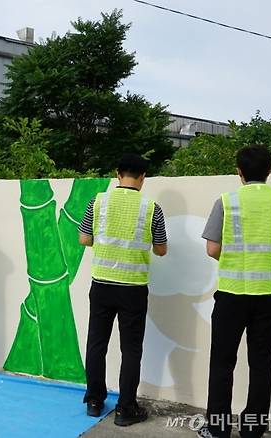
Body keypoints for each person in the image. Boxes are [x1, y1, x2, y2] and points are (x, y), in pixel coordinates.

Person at [196, 145, 271, 438]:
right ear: (270, 170)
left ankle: (217, 429)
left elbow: (213, 248)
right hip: (269, 295)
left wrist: (236, 259)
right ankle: (253, 429)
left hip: (231, 295)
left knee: (222, 362)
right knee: (262, 363)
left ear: (239, 172)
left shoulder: (227, 202)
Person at [78, 153, 168, 426]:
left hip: (102, 284)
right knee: (131, 349)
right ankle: (125, 408)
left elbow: (84, 239)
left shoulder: (98, 201)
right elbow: (161, 250)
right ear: (143, 177)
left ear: (117, 174)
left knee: (96, 343)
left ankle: (94, 400)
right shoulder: (152, 207)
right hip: (133, 289)